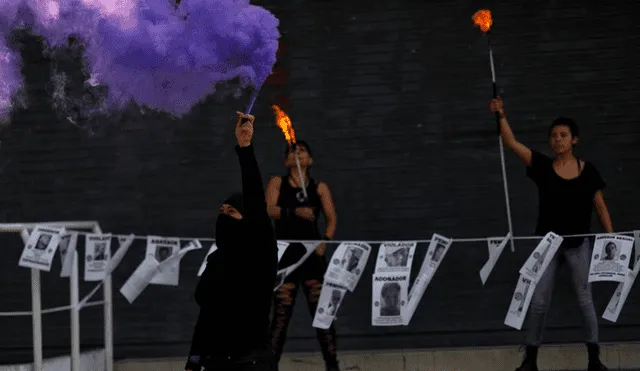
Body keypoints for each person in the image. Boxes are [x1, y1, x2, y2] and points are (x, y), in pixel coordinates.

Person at [490, 97, 613, 371]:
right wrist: (501, 115)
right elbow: (511, 143)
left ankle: (594, 359)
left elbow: (600, 206)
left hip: (578, 244)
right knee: (539, 302)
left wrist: (612, 238)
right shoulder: (543, 167)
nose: (557, 140)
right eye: (553, 136)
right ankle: (530, 360)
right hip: (547, 245)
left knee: (585, 301)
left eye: (563, 135)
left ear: (574, 140)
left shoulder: (587, 170)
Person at [185, 112, 278, 371]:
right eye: (222, 211)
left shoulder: (260, 255)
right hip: (215, 364)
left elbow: (257, 205)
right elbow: (204, 322)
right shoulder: (215, 262)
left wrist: (245, 148)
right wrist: (192, 364)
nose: (224, 216)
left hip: (251, 364)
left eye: (232, 212)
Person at [265, 140, 340, 371]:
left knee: (322, 313)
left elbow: (331, 218)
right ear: (286, 160)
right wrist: (295, 211)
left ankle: (332, 365)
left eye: (302, 150)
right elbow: (269, 209)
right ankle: (269, 366)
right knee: (280, 315)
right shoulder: (277, 182)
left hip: (311, 255)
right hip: (286, 255)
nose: (297, 153)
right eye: (292, 151)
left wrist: (324, 243)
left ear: (310, 160)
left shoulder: (319, 187)